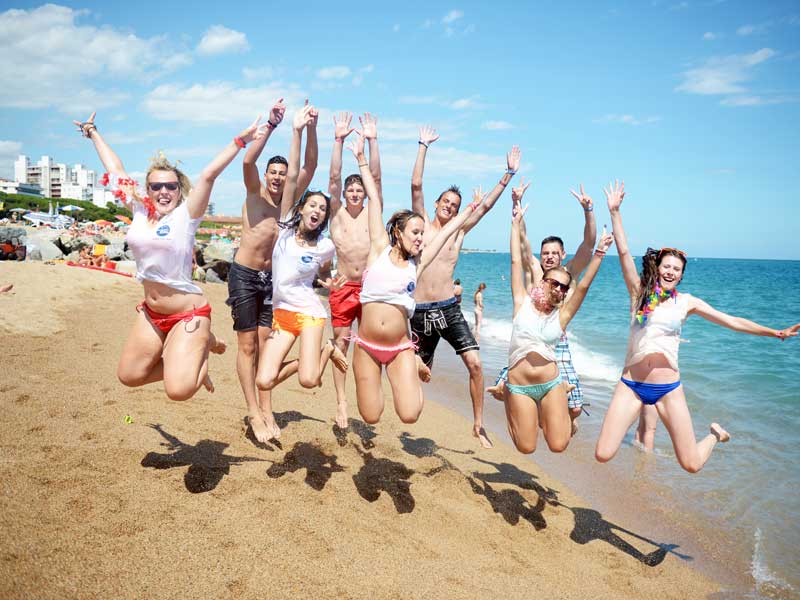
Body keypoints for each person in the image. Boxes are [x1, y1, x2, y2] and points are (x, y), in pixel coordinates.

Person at [595, 181, 800, 472]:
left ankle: (715, 434)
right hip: (631, 385)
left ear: (681, 275)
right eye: (666, 266)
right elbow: (625, 252)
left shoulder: (687, 302)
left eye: (676, 269)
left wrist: (773, 332)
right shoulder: (638, 292)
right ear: (658, 268)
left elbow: (731, 321)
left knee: (691, 464)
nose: (670, 272)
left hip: (668, 388)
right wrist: (615, 212)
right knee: (603, 453)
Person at [72, 111, 261, 400]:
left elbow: (209, 174)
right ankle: (195, 350)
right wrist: (93, 131)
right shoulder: (138, 210)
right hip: (152, 313)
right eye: (156, 186)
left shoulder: (187, 215)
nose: (163, 191)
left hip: (188, 312)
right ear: (146, 190)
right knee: (129, 376)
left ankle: (197, 351)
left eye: (171, 186)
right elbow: (116, 168)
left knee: (178, 390)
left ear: (179, 190)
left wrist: (240, 141)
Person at [347, 132, 484, 425]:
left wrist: (472, 208)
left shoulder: (416, 266)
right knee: (371, 416)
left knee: (409, 415)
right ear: (398, 232)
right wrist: (360, 159)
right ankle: (375, 380)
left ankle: (415, 363)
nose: (421, 238)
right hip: (367, 347)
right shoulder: (378, 250)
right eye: (416, 232)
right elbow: (374, 197)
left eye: (423, 234)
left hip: (399, 348)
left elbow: (447, 231)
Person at [410, 125, 520, 448]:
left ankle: (478, 425)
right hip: (418, 312)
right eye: (446, 202)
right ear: (436, 203)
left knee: (475, 363)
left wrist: (507, 175)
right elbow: (415, 183)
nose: (450, 207)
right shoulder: (420, 227)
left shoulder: (457, 233)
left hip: (448, 308)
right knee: (417, 378)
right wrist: (422, 146)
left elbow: (484, 207)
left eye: (455, 206)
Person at [227, 98, 320, 443]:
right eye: (275, 173)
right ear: (267, 175)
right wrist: (272, 126)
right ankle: (254, 412)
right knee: (248, 346)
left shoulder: (289, 202)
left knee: (267, 349)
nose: (280, 178)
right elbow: (248, 158)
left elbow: (309, 163)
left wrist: (311, 127)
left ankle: (266, 409)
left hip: (274, 282)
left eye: (283, 174)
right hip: (245, 275)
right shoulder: (254, 191)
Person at [504, 201, 613, 454]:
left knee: (559, 445)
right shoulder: (521, 301)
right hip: (519, 384)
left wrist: (600, 252)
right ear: (542, 281)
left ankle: (562, 403)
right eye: (554, 283)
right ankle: (508, 395)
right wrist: (515, 222)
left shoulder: (561, 316)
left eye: (564, 287)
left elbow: (583, 286)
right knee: (526, 447)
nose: (559, 288)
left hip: (551, 382)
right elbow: (514, 260)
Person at [254, 103, 348, 394]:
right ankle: (319, 354)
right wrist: (299, 130)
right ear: (302, 207)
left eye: (323, 208)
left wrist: (330, 282)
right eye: (313, 205)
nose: (318, 210)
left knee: (309, 380)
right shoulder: (285, 226)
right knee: (264, 381)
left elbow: (323, 274)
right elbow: (293, 174)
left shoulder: (325, 245)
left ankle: (325, 349)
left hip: (309, 314)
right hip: (282, 314)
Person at [486, 178, 597, 422]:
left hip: (558, 340)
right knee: (500, 391)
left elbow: (589, 245)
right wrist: (517, 202)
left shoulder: (569, 273)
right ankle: (531, 409)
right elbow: (522, 242)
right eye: (545, 253)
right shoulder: (536, 271)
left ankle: (561, 414)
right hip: (529, 339)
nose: (548, 257)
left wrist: (588, 211)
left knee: (576, 408)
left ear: (562, 255)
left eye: (554, 253)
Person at [327, 112, 382, 429]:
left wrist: (373, 141)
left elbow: (376, 176)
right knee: (341, 343)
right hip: (344, 286)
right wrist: (339, 141)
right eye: (351, 190)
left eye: (359, 189)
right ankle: (341, 401)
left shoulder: (374, 210)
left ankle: (367, 394)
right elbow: (333, 178)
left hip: (372, 288)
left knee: (371, 343)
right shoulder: (336, 215)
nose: (355, 192)